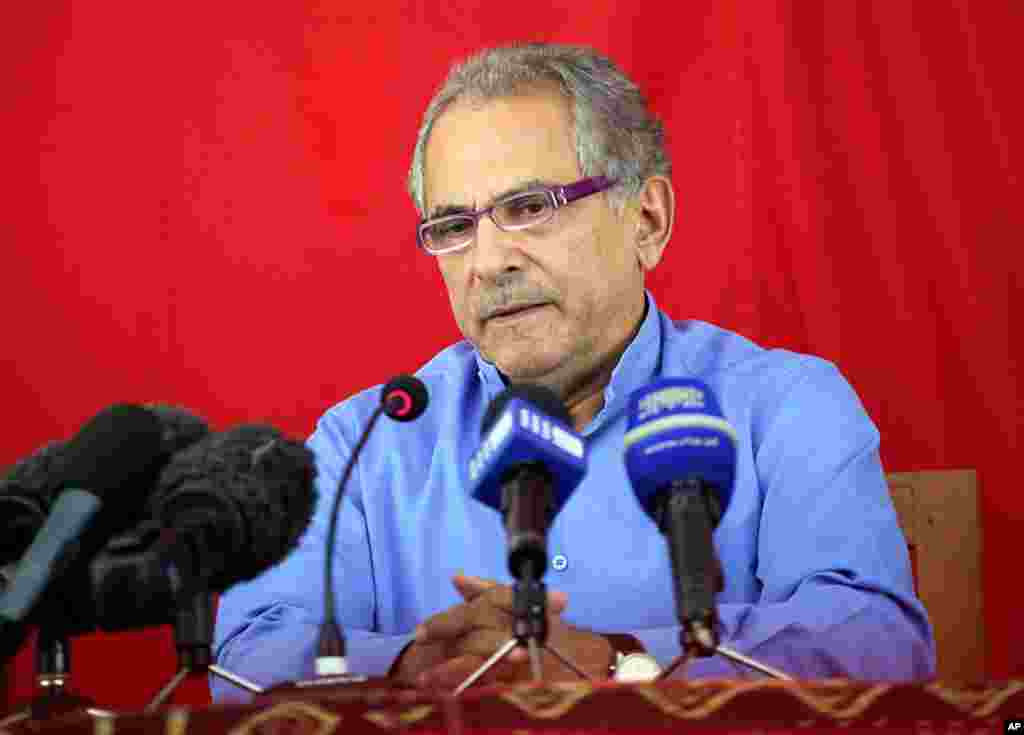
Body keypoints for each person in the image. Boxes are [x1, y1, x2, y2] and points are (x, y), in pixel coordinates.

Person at [211, 43, 935, 701]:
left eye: (529, 207)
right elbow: (244, 663)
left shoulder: (786, 408)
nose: (489, 262)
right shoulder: (364, 444)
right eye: (454, 227)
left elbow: (879, 646)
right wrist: (414, 664)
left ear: (646, 220)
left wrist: (615, 662)